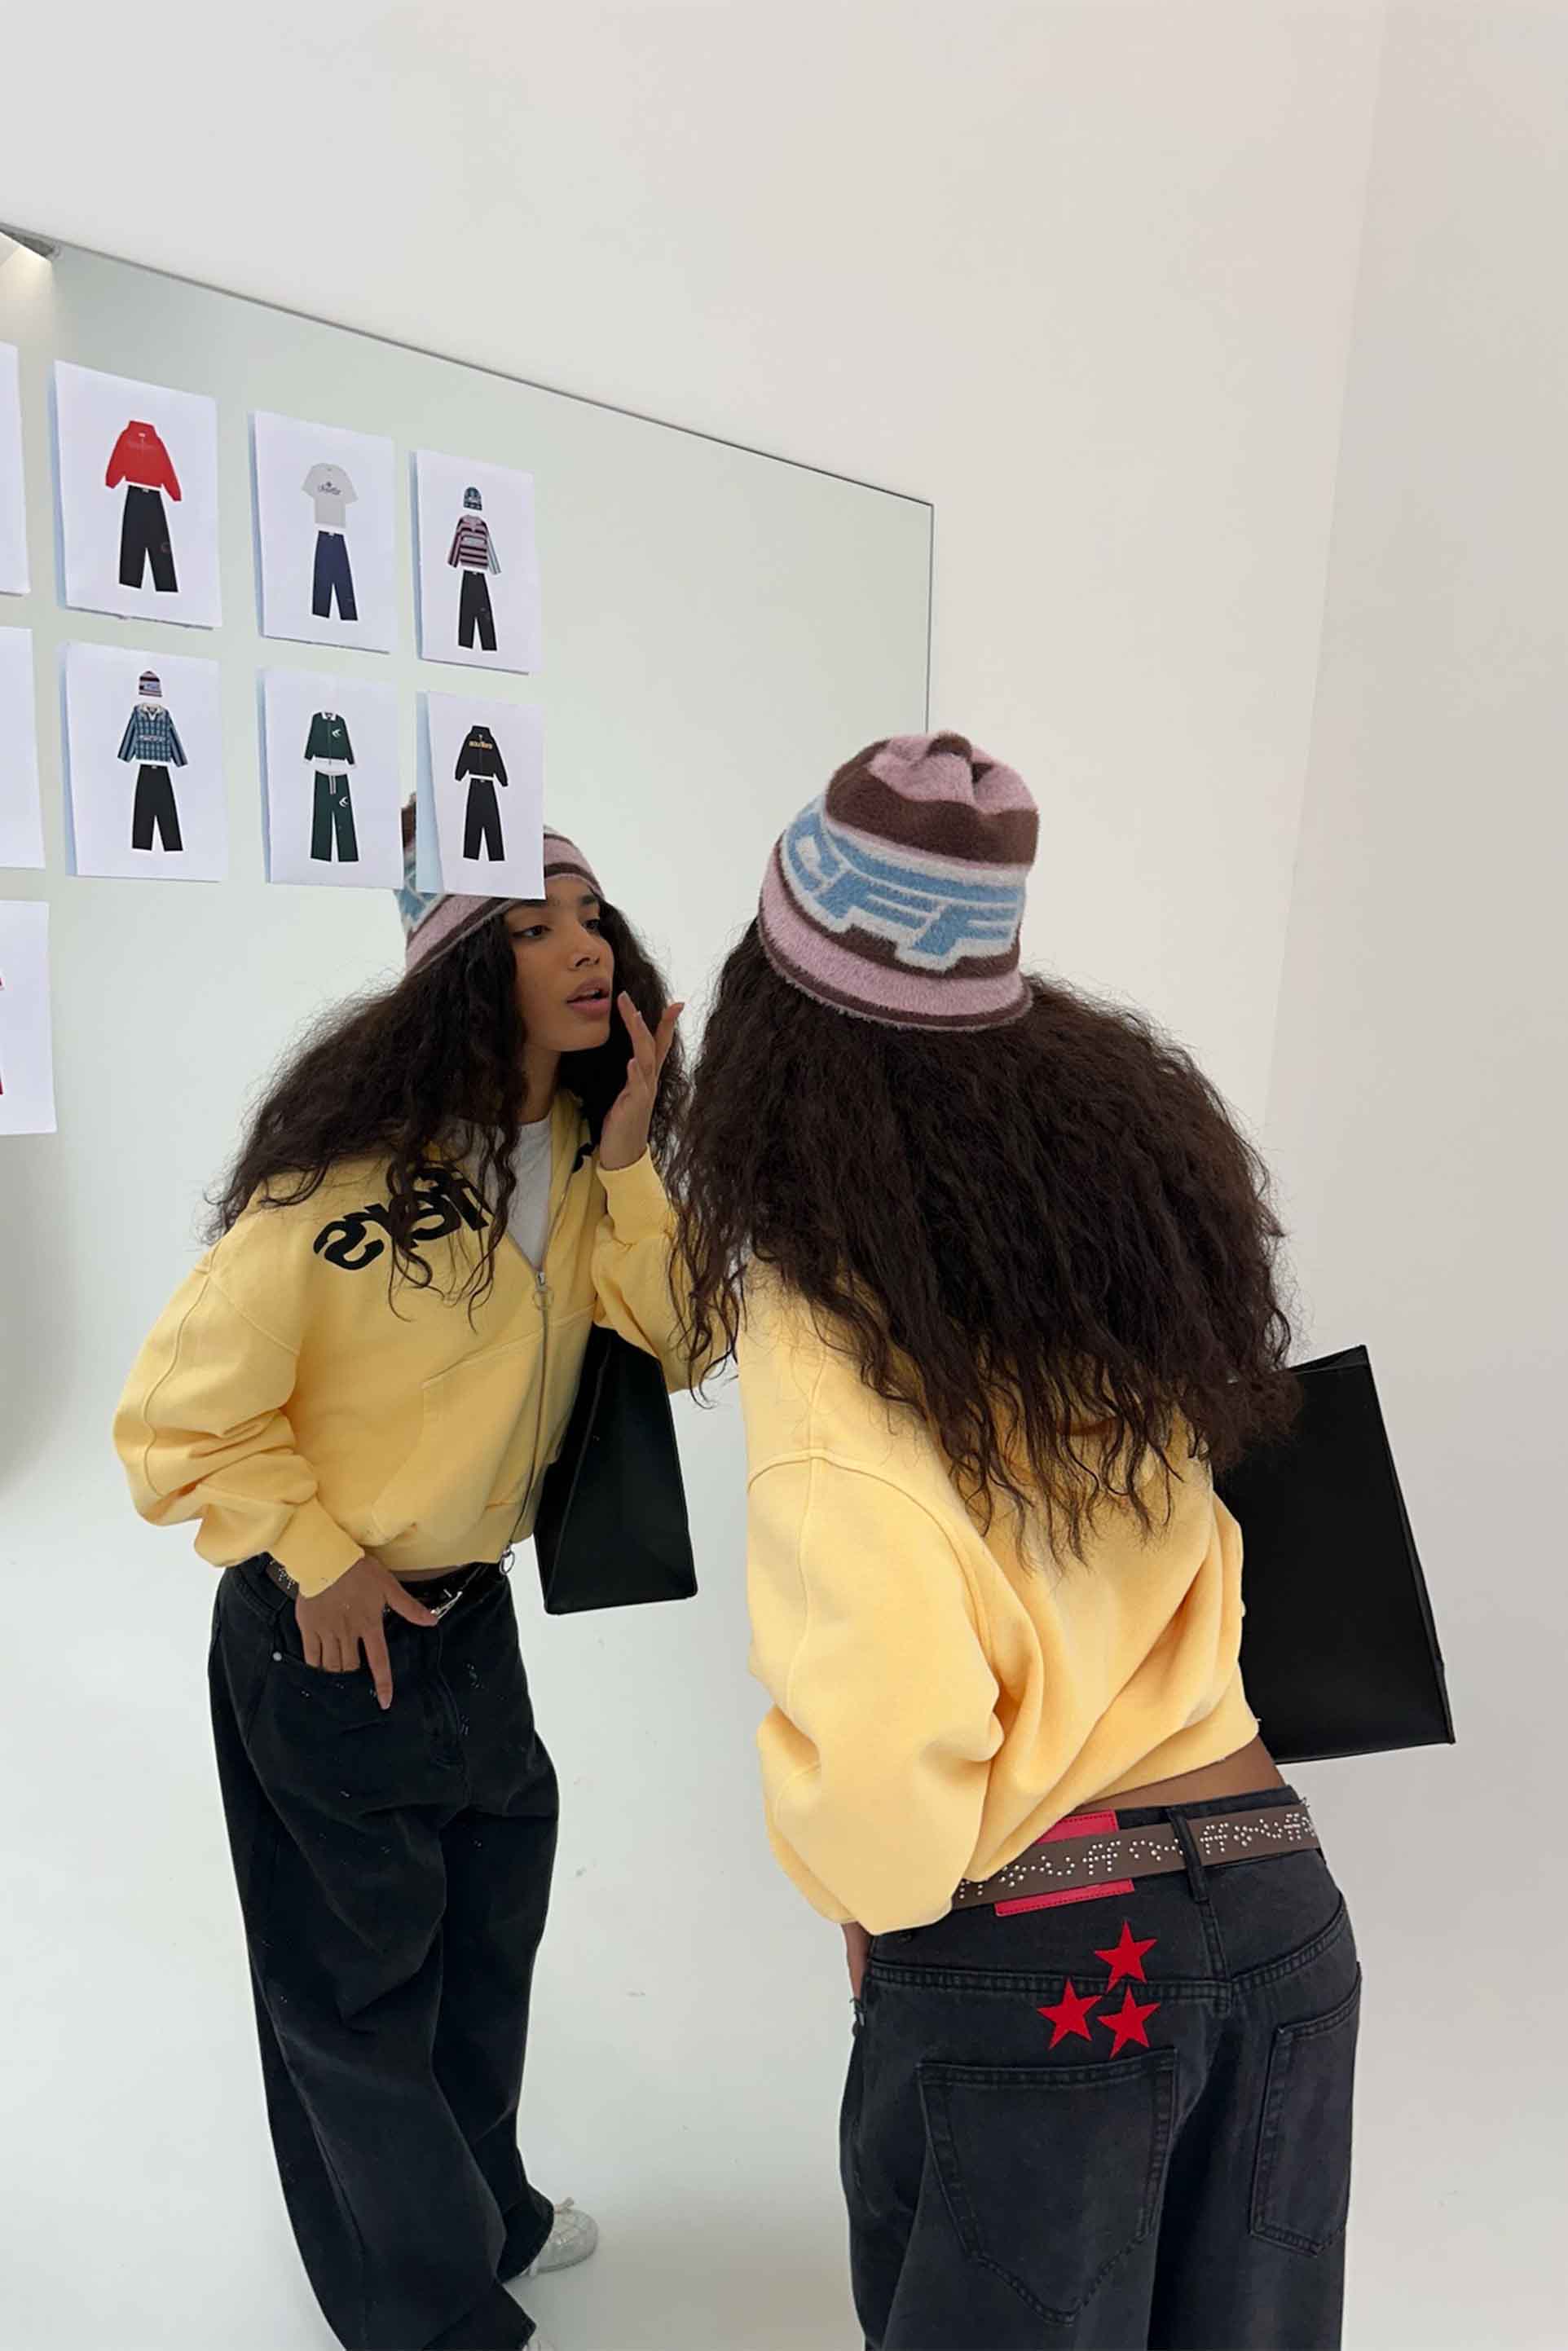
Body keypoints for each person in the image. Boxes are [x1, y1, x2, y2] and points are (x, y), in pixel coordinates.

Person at [672, 733, 1359, 2351]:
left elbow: (891, 1755)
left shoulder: (821, 1337)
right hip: (1280, 1910)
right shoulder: (1100, 1238)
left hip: (1052, 1975)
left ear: (771, 1029)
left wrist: (870, 1887)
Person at [114, 817, 689, 2351]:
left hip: (470, 1624)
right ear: (456, 971)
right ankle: (426, 2316)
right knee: (355, 2003)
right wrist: (316, 1556)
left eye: (591, 914)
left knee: (486, 1946)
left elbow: (685, 1333)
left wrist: (634, 1153)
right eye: (532, 926)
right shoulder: (339, 1182)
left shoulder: (586, 1155)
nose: (584, 946)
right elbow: (171, 1423)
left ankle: (485, 2215)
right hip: (329, 1633)